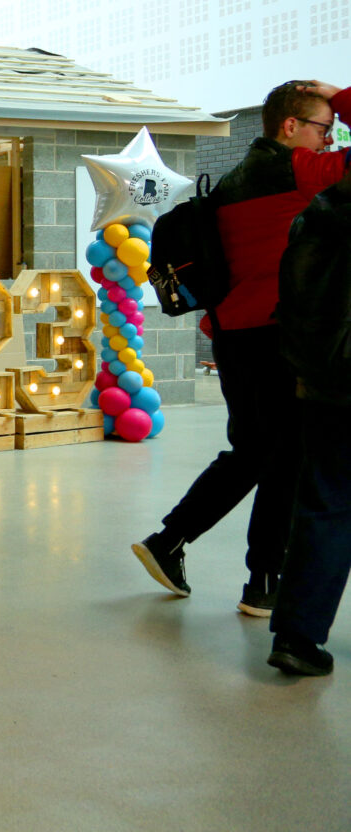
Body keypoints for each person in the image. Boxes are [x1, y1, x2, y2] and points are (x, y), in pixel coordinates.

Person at [133, 80, 351, 616]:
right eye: (326, 128)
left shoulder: (232, 180)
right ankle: (260, 581)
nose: (330, 140)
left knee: (257, 450)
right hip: (279, 337)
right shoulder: (295, 171)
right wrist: (342, 95)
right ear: (291, 127)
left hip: (233, 336)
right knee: (287, 456)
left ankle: (176, 543)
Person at [269, 126, 351, 676]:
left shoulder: (318, 212)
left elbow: (292, 299)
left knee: (322, 503)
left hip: (325, 380)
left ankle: (296, 637)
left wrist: (303, 369)